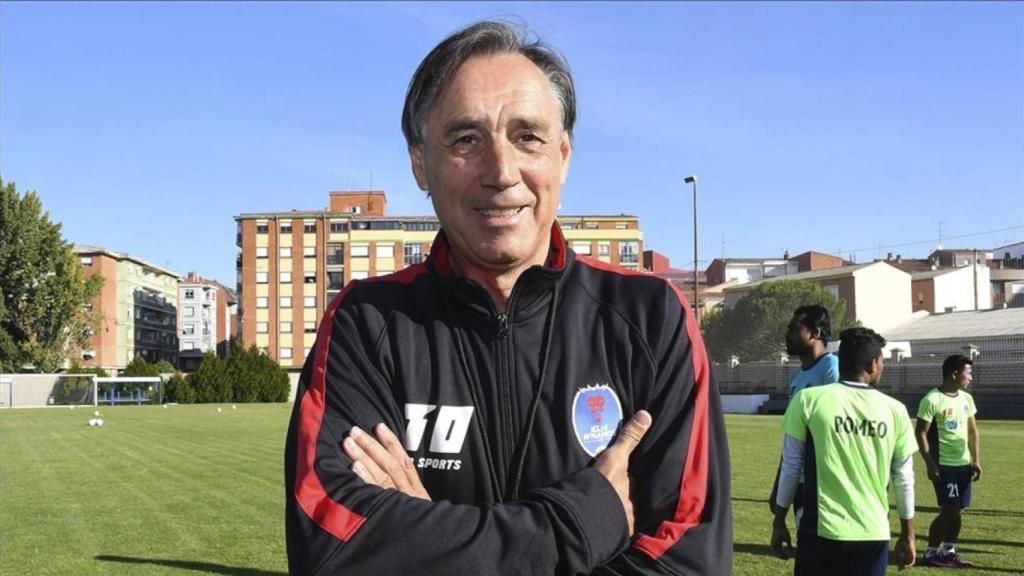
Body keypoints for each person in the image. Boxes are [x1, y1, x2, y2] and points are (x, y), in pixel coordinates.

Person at [283, 20, 732, 575]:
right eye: (466, 139)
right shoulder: (365, 322)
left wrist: (425, 538)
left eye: (528, 137)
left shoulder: (650, 317)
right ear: (421, 164)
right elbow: (332, 552)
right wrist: (583, 521)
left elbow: (689, 563)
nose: (500, 172)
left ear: (563, 156)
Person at [770, 327, 917, 575]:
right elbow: (904, 478)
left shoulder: (808, 400)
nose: (882, 367)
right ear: (872, 365)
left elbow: (791, 466)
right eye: (882, 362)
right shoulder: (895, 410)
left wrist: (779, 520)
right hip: (872, 533)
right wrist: (908, 533)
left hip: (819, 530)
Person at [769, 305, 840, 516]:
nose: (787, 334)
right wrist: (778, 487)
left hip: (825, 481)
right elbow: (793, 437)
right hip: (799, 480)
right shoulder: (796, 378)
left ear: (815, 333)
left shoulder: (831, 368)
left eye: (794, 328)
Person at [915, 354, 981, 568]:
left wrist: (976, 460)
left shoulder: (966, 399)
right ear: (954, 374)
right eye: (968, 373)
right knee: (949, 511)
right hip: (944, 466)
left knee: (958, 509)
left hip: (964, 465)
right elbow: (921, 434)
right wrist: (930, 463)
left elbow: (973, 431)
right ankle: (931, 553)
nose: (970, 378)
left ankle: (949, 552)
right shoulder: (932, 399)